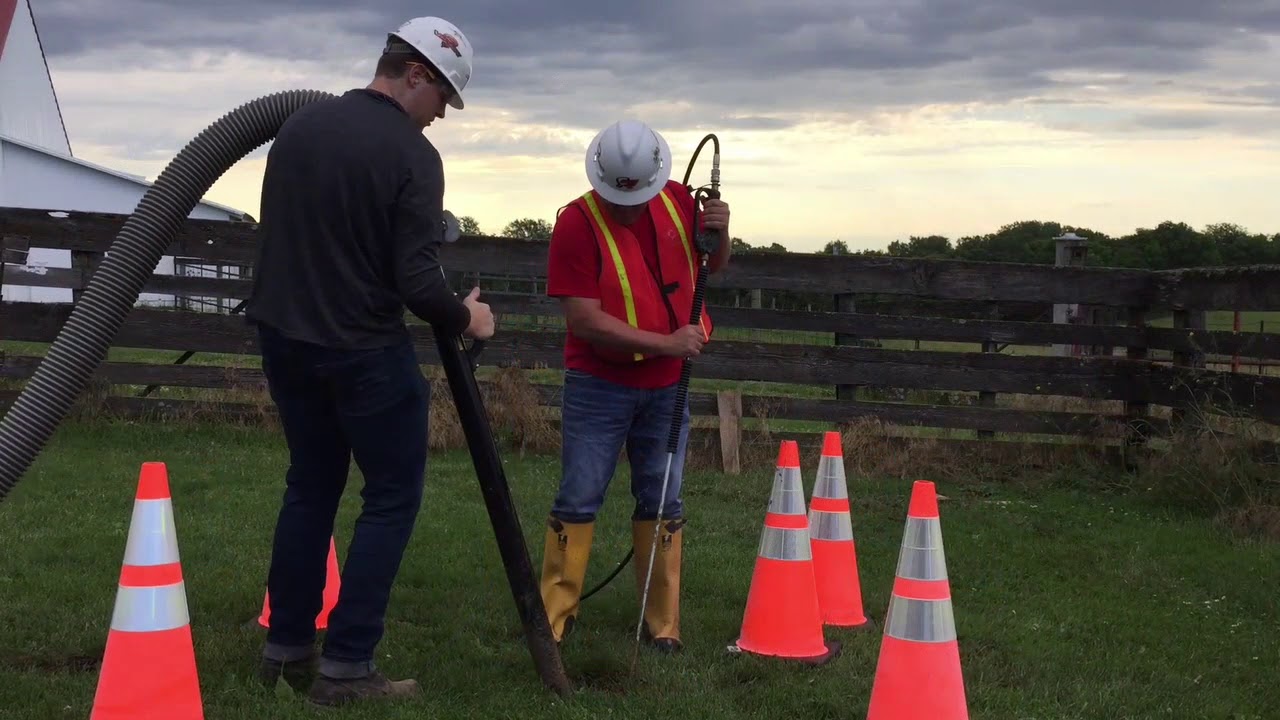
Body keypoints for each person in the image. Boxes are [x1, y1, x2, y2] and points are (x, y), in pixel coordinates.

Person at [241, 16, 494, 707]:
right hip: (362, 349)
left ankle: (286, 647)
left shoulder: (299, 128)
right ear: (414, 74)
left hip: (286, 339)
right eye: (442, 98)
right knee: (390, 496)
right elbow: (417, 282)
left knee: (310, 486)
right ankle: (348, 666)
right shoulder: (412, 155)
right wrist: (467, 317)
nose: (440, 115)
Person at [539, 119, 732, 653]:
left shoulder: (679, 201)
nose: (627, 208)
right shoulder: (576, 223)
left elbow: (712, 263)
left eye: (636, 197)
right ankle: (553, 619)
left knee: (663, 497)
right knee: (580, 494)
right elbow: (584, 320)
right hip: (599, 383)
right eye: (617, 198)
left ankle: (663, 626)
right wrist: (667, 343)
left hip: (667, 386)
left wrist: (722, 231)